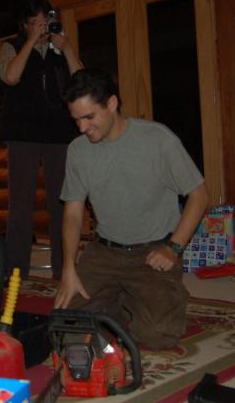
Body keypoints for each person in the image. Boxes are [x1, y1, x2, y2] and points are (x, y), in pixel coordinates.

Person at [54, 68, 208, 349]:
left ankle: (151, 298)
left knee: (156, 337)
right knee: (67, 329)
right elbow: (73, 213)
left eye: (89, 117)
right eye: (76, 119)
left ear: (112, 104)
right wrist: (68, 268)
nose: (82, 128)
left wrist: (173, 248)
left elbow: (198, 194)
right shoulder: (78, 150)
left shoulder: (159, 140)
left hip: (152, 252)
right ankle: (122, 300)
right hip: (104, 252)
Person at [0, 0, 84, 279]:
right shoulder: (11, 47)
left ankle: (64, 269)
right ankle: (15, 272)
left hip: (59, 135)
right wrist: (30, 42)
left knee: (61, 203)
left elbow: (82, 81)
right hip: (22, 135)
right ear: (24, 24)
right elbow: (10, 77)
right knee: (20, 205)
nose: (41, 26)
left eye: (44, 20)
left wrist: (67, 47)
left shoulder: (59, 48)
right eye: (35, 22)